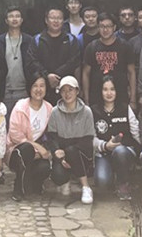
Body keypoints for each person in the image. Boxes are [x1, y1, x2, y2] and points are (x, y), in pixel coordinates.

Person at [47, 76, 95, 205]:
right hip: (63, 154)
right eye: (63, 90)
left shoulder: (86, 112)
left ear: (77, 91)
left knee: (72, 150)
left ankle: (86, 186)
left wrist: (67, 152)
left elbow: (88, 139)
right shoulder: (55, 112)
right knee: (57, 175)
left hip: (81, 153)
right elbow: (52, 137)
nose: (67, 94)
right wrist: (57, 151)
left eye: (70, 90)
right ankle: (66, 180)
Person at [6, 73, 52, 201]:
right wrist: (36, 147)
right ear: (29, 88)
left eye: (42, 86)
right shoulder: (20, 107)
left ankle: (33, 182)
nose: (38, 89)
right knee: (26, 149)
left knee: (45, 168)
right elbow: (14, 134)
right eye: (35, 86)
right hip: (16, 150)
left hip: (37, 154)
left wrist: (42, 151)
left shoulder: (49, 109)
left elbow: (50, 135)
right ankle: (18, 187)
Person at [92, 76, 140, 200]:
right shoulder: (93, 111)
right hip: (104, 153)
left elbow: (136, 132)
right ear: (100, 91)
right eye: (105, 89)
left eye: (112, 89)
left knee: (120, 151)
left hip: (124, 152)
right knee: (102, 181)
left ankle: (123, 183)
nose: (109, 93)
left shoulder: (125, 108)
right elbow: (91, 138)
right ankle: (112, 175)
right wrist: (104, 145)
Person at [26, 7, 81, 105]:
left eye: (59, 18)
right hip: (43, 88)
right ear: (46, 20)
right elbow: (32, 61)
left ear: (63, 20)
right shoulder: (37, 39)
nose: (56, 21)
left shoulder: (71, 39)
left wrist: (56, 75)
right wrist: (47, 75)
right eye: (52, 18)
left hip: (66, 88)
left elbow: (74, 61)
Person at [82, 12, 136, 108]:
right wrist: (86, 100)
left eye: (108, 26)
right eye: (102, 26)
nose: (105, 30)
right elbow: (86, 73)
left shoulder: (125, 46)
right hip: (97, 96)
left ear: (114, 27)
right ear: (98, 28)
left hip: (120, 95)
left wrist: (133, 99)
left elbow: (131, 73)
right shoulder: (91, 47)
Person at [0, 6, 33, 119]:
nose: (14, 19)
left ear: (21, 20)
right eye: (11, 16)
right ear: (6, 20)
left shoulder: (29, 40)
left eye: (17, 16)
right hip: (5, 91)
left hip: (24, 91)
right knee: (4, 124)